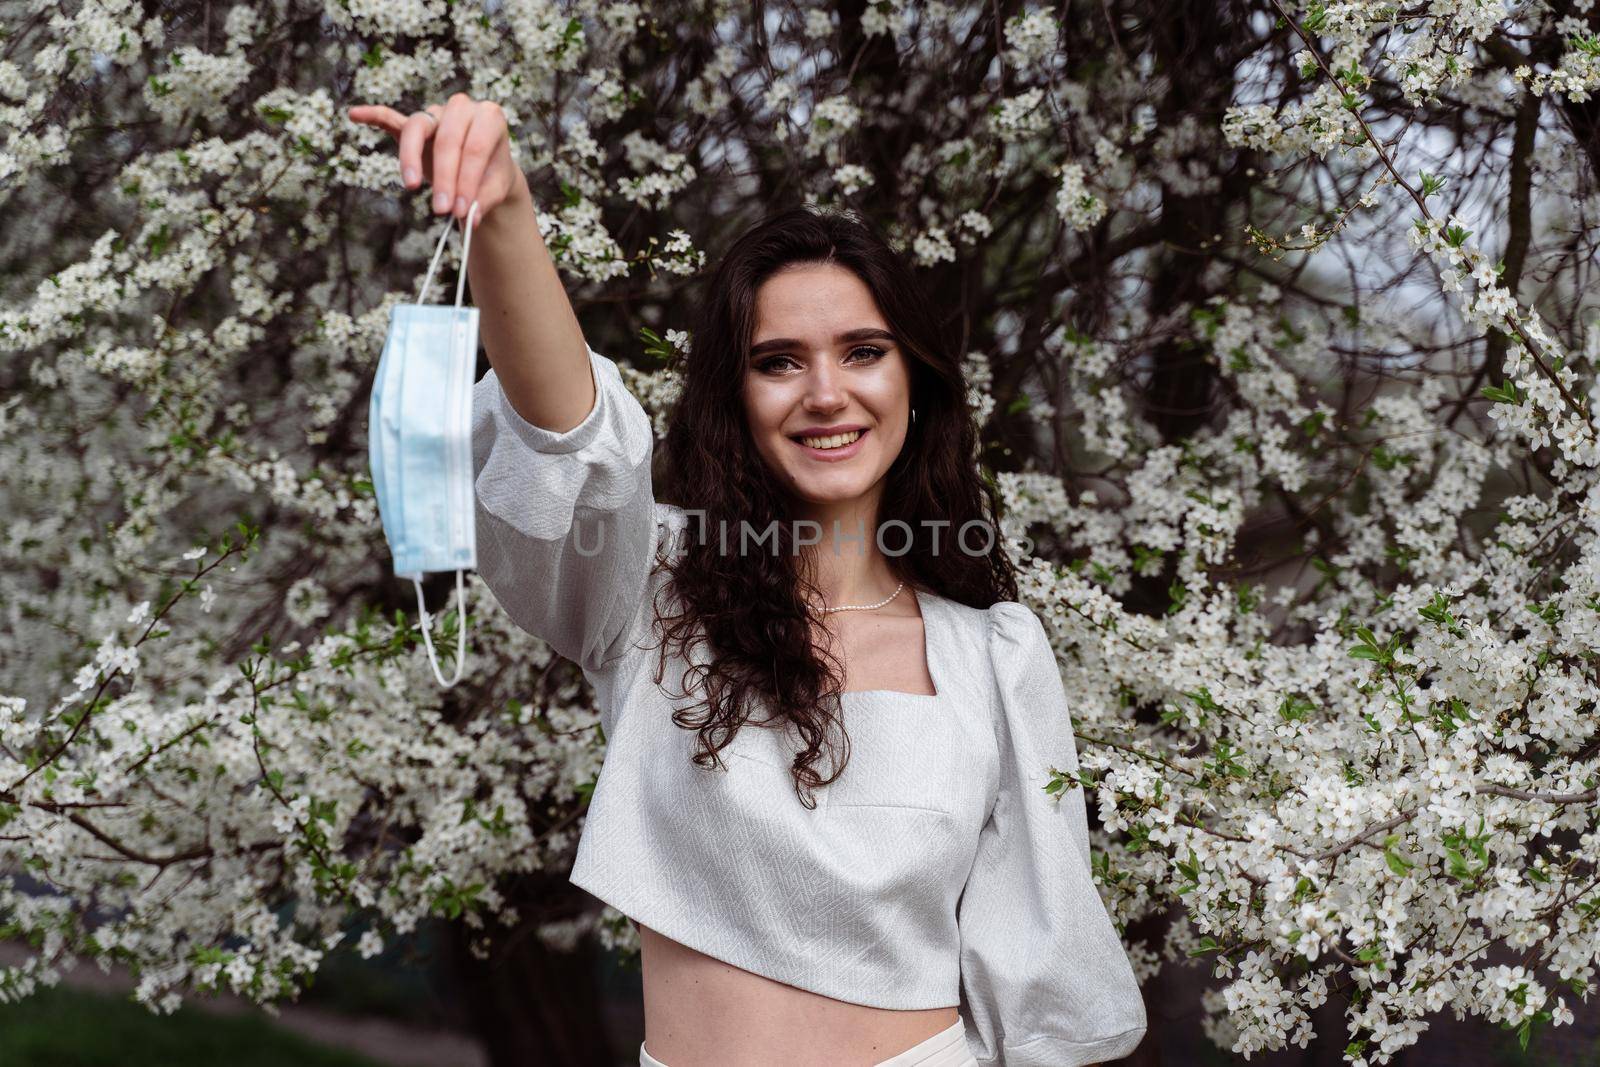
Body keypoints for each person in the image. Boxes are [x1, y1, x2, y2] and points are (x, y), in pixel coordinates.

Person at [349, 93, 1147, 1067]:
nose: (825, 392)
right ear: (736, 393)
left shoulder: (995, 652)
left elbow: (1039, 969)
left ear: (916, 381)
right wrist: (504, 206)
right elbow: (567, 436)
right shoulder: (655, 591)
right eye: (778, 361)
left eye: (862, 352)